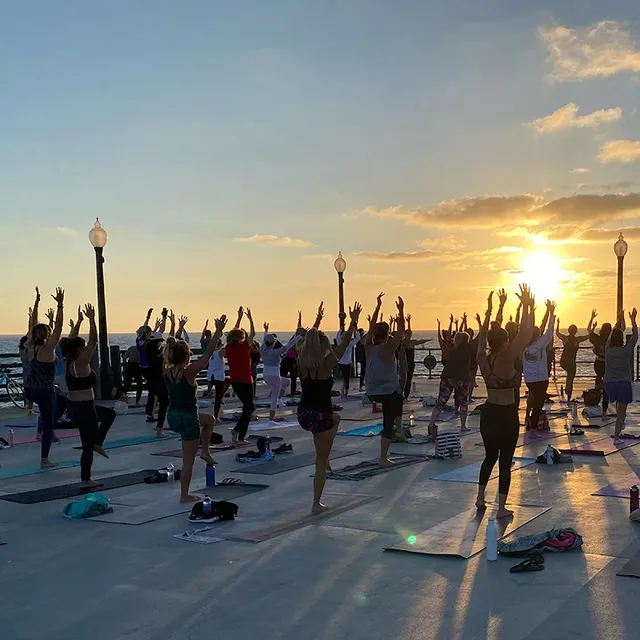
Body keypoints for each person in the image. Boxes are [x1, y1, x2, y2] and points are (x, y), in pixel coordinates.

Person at [297, 301, 361, 513]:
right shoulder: (325, 366)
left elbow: (309, 338)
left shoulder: (301, 362)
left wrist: (317, 321)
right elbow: (343, 346)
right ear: (322, 346)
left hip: (304, 414)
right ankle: (316, 503)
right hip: (320, 415)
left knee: (335, 419)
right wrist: (352, 321)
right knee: (320, 458)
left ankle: (325, 458)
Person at [476, 285, 534, 519]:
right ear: (505, 341)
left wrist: (490, 312)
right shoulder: (508, 357)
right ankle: (500, 508)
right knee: (505, 460)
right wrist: (528, 305)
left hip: (488, 413)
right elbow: (527, 333)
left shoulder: (483, 357)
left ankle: (480, 498)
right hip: (506, 414)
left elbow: (482, 338)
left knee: (490, 456)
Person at [164, 315, 227, 502]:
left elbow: (170, 347)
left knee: (209, 420)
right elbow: (207, 355)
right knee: (187, 461)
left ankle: (205, 450)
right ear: (186, 357)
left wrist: (178, 328)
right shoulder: (189, 372)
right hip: (188, 418)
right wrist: (217, 331)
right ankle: (184, 495)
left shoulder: (166, 371)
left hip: (173, 416)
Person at [61, 304, 116, 488]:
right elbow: (93, 340)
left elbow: (71, 340)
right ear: (79, 350)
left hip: (79, 407)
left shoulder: (69, 361)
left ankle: (97, 442)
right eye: (82, 347)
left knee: (109, 414)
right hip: (84, 410)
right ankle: (85, 479)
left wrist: (79, 322)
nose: (86, 349)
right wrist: (92, 319)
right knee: (87, 445)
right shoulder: (80, 362)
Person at [24, 287, 66, 468]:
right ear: (47, 336)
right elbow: (59, 327)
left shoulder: (29, 346)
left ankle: (50, 422)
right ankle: (44, 459)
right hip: (44, 391)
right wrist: (60, 305)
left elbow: (32, 326)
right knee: (49, 424)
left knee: (62, 401)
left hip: (30, 389)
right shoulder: (47, 349)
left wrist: (36, 303)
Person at [364, 292, 407, 461]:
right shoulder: (389, 349)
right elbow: (401, 331)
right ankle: (384, 455)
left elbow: (370, 328)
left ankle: (399, 430)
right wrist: (401, 311)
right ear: (387, 333)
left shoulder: (368, 347)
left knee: (398, 398)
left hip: (371, 391)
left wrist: (377, 307)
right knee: (390, 416)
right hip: (388, 392)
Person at [427, 330, 476, 437]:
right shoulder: (469, 348)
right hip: (462, 378)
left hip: (447, 376)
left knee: (441, 401)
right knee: (463, 402)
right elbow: (480, 339)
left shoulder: (453, 348)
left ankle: (431, 423)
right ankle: (463, 426)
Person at [523, 300, 556, 432]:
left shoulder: (523, 346)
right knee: (538, 404)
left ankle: (529, 419)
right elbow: (549, 332)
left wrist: (529, 308)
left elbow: (530, 327)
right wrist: (552, 313)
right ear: (538, 335)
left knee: (533, 398)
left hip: (529, 380)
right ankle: (533, 426)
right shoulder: (540, 345)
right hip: (540, 380)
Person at [261, 321, 303, 425]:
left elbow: (264, 340)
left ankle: (279, 399)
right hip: (275, 377)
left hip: (266, 376)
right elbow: (288, 346)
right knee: (274, 399)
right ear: (273, 343)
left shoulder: (262, 349)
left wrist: (266, 331)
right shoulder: (275, 352)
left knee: (287, 381)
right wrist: (298, 337)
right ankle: (271, 420)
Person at [226, 306, 256, 443]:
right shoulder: (243, 347)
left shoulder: (229, 348)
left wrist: (239, 318)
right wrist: (249, 318)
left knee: (248, 408)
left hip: (240, 381)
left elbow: (232, 333)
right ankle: (237, 431)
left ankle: (240, 437)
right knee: (249, 407)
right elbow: (253, 333)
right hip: (243, 381)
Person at [142, 308, 173, 437]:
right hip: (160, 378)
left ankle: (152, 418)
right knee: (165, 402)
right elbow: (161, 332)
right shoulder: (161, 352)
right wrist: (165, 318)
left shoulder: (146, 346)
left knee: (154, 397)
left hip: (149, 376)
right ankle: (160, 428)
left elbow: (151, 331)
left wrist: (149, 317)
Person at [556, 311, 595, 402]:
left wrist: (557, 323)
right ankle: (568, 395)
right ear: (576, 331)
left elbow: (557, 333)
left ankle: (567, 389)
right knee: (570, 378)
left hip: (563, 361)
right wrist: (593, 327)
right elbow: (588, 336)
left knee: (568, 376)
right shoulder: (577, 340)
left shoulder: (565, 338)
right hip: (571, 361)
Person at [402, 314, 431, 399]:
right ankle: (401, 395)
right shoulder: (403, 342)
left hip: (410, 363)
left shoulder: (412, 342)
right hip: (404, 363)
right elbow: (403, 331)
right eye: (407, 334)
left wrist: (428, 340)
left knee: (408, 380)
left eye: (410, 334)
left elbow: (420, 341)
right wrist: (407, 322)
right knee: (403, 380)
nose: (409, 335)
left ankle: (405, 396)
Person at [590, 317, 612, 416]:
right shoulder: (611, 339)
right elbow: (622, 329)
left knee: (598, 378)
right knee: (606, 382)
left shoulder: (597, 339)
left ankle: (596, 396)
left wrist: (592, 322)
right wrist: (621, 317)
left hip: (598, 362)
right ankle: (605, 402)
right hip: (607, 363)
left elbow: (589, 331)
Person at [334, 326, 360, 398]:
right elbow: (357, 338)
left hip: (342, 362)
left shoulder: (342, 342)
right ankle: (345, 393)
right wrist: (355, 329)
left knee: (345, 378)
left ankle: (344, 391)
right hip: (344, 363)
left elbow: (338, 336)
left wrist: (341, 329)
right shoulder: (348, 343)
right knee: (346, 378)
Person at [206, 340, 229, 419]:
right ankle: (216, 416)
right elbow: (228, 350)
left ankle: (222, 396)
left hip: (211, 376)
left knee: (229, 380)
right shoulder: (219, 352)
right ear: (219, 345)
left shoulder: (210, 353)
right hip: (218, 377)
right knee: (218, 398)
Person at [280, 312, 302, 396]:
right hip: (291, 359)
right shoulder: (297, 339)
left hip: (287, 359)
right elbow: (298, 328)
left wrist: (299, 318)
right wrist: (299, 319)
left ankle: (288, 392)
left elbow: (298, 329)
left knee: (287, 377)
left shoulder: (297, 339)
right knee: (292, 377)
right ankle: (290, 392)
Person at [19, 334, 34, 414]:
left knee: (27, 389)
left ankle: (26, 405)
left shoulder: (21, 350)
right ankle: (30, 407)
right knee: (31, 389)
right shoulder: (28, 351)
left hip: (25, 371)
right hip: (30, 371)